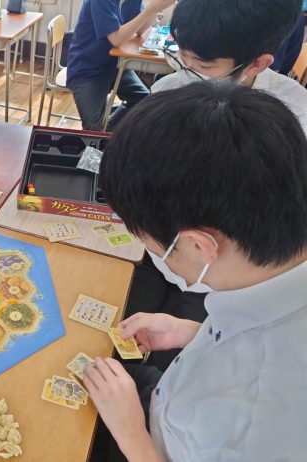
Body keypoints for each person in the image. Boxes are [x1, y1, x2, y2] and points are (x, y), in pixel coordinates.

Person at [91, 81, 307, 461]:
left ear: (197, 246)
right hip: (169, 402)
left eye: (149, 244)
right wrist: (191, 332)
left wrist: (131, 434)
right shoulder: (270, 272)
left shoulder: (262, 421)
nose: (152, 253)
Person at [153, 0, 307, 135]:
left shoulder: (296, 112)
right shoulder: (166, 90)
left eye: (204, 65)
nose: (186, 71)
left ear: (257, 64)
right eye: (181, 55)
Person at [66, 0, 175, 131]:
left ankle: (111, 131)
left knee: (144, 104)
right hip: (87, 70)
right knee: (93, 131)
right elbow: (116, 39)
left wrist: (155, 8)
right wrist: (149, 10)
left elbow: (140, 30)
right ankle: (106, 132)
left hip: (115, 65)